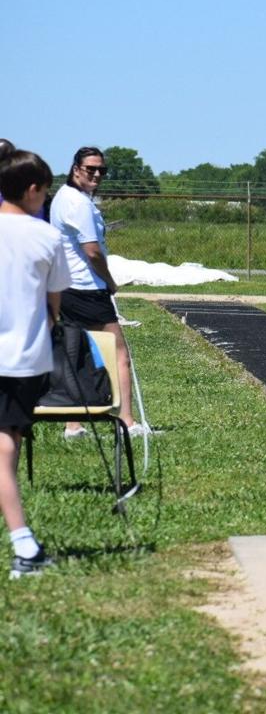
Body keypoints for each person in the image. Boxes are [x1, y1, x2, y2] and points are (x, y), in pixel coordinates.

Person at [0, 143, 71, 577]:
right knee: (6, 445)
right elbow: (54, 305)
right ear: (31, 190)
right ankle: (24, 545)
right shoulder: (46, 236)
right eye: (44, 192)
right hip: (23, 357)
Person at [48, 147, 147, 437]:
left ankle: (73, 424)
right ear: (75, 168)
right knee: (119, 354)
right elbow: (91, 251)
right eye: (90, 168)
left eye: (101, 170)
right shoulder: (77, 203)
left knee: (74, 354)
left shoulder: (63, 198)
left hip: (66, 287)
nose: (96, 175)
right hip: (87, 288)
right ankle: (127, 421)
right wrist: (110, 280)